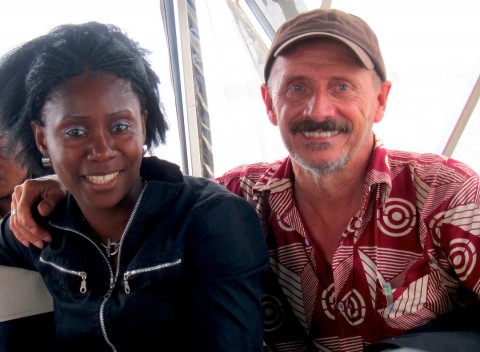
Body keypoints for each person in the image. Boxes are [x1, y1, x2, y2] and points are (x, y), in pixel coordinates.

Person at [8, 9, 480, 352]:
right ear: (270, 103)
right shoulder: (239, 197)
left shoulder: (444, 194)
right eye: (297, 87)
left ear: (380, 101)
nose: (318, 110)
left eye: (342, 86)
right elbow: (142, 190)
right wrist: (65, 184)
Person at [0, 21, 268, 351]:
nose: (101, 150)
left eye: (120, 126)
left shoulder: (212, 219)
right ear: (42, 139)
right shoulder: (42, 226)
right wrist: (44, 190)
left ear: (143, 123)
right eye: (75, 132)